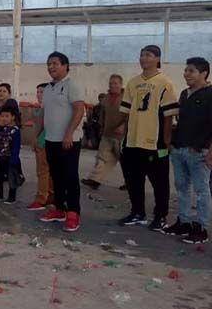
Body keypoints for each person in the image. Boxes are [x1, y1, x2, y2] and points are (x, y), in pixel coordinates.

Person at [118, 45, 179, 232]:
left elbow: (169, 115)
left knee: (159, 182)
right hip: (132, 141)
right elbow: (127, 111)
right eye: (142, 55)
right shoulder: (132, 82)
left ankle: (160, 217)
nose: (144, 58)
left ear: (157, 58)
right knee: (133, 180)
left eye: (148, 55)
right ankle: (138, 213)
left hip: (155, 141)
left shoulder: (164, 82)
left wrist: (166, 141)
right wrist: (125, 132)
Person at [33, 51, 85, 232]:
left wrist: (69, 134)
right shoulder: (47, 89)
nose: (51, 67)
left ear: (65, 65)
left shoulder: (72, 86)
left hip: (69, 141)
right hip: (50, 140)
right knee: (56, 177)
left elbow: (79, 111)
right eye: (49, 64)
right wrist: (36, 135)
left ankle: (73, 213)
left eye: (55, 63)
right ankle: (59, 209)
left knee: (70, 177)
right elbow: (43, 115)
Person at [162, 57, 212, 244]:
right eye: (185, 70)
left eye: (191, 71)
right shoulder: (185, 94)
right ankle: (183, 222)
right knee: (182, 188)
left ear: (204, 73)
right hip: (180, 149)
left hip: (200, 152)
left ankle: (200, 228)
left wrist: (210, 153)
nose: (186, 74)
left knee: (201, 191)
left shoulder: (210, 94)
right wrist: (172, 143)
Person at [81, 75, 129, 190]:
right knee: (102, 157)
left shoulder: (127, 97)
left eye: (115, 83)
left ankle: (131, 182)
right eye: (111, 83)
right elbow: (102, 113)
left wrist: (124, 126)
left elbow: (132, 114)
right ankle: (95, 180)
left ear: (121, 84)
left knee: (126, 160)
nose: (113, 85)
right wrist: (101, 127)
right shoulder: (106, 97)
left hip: (121, 136)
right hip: (107, 133)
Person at [0, 83, 25, 181]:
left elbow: (2, 110)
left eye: (4, 91)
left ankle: (17, 173)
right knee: (0, 152)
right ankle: (1, 175)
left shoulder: (11, 102)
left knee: (12, 152)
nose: (1, 93)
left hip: (10, 132)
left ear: (9, 93)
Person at [27, 83, 53, 211]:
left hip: (45, 143)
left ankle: (41, 198)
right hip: (42, 143)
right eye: (37, 92)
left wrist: (35, 140)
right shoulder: (40, 109)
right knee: (48, 172)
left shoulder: (47, 109)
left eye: (42, 92)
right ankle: (49, 196)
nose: (38, 94)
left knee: (43, 172)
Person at [0, 106, 22, 204]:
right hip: (0, 156)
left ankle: (12, 197)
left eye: (7, 116)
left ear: (13, 117)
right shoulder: (1, 128)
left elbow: (16, 145)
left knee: (12, 178)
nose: (4, 118)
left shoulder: (15, 130)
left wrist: (14, 159)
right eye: (2, 116)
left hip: (10, 157)